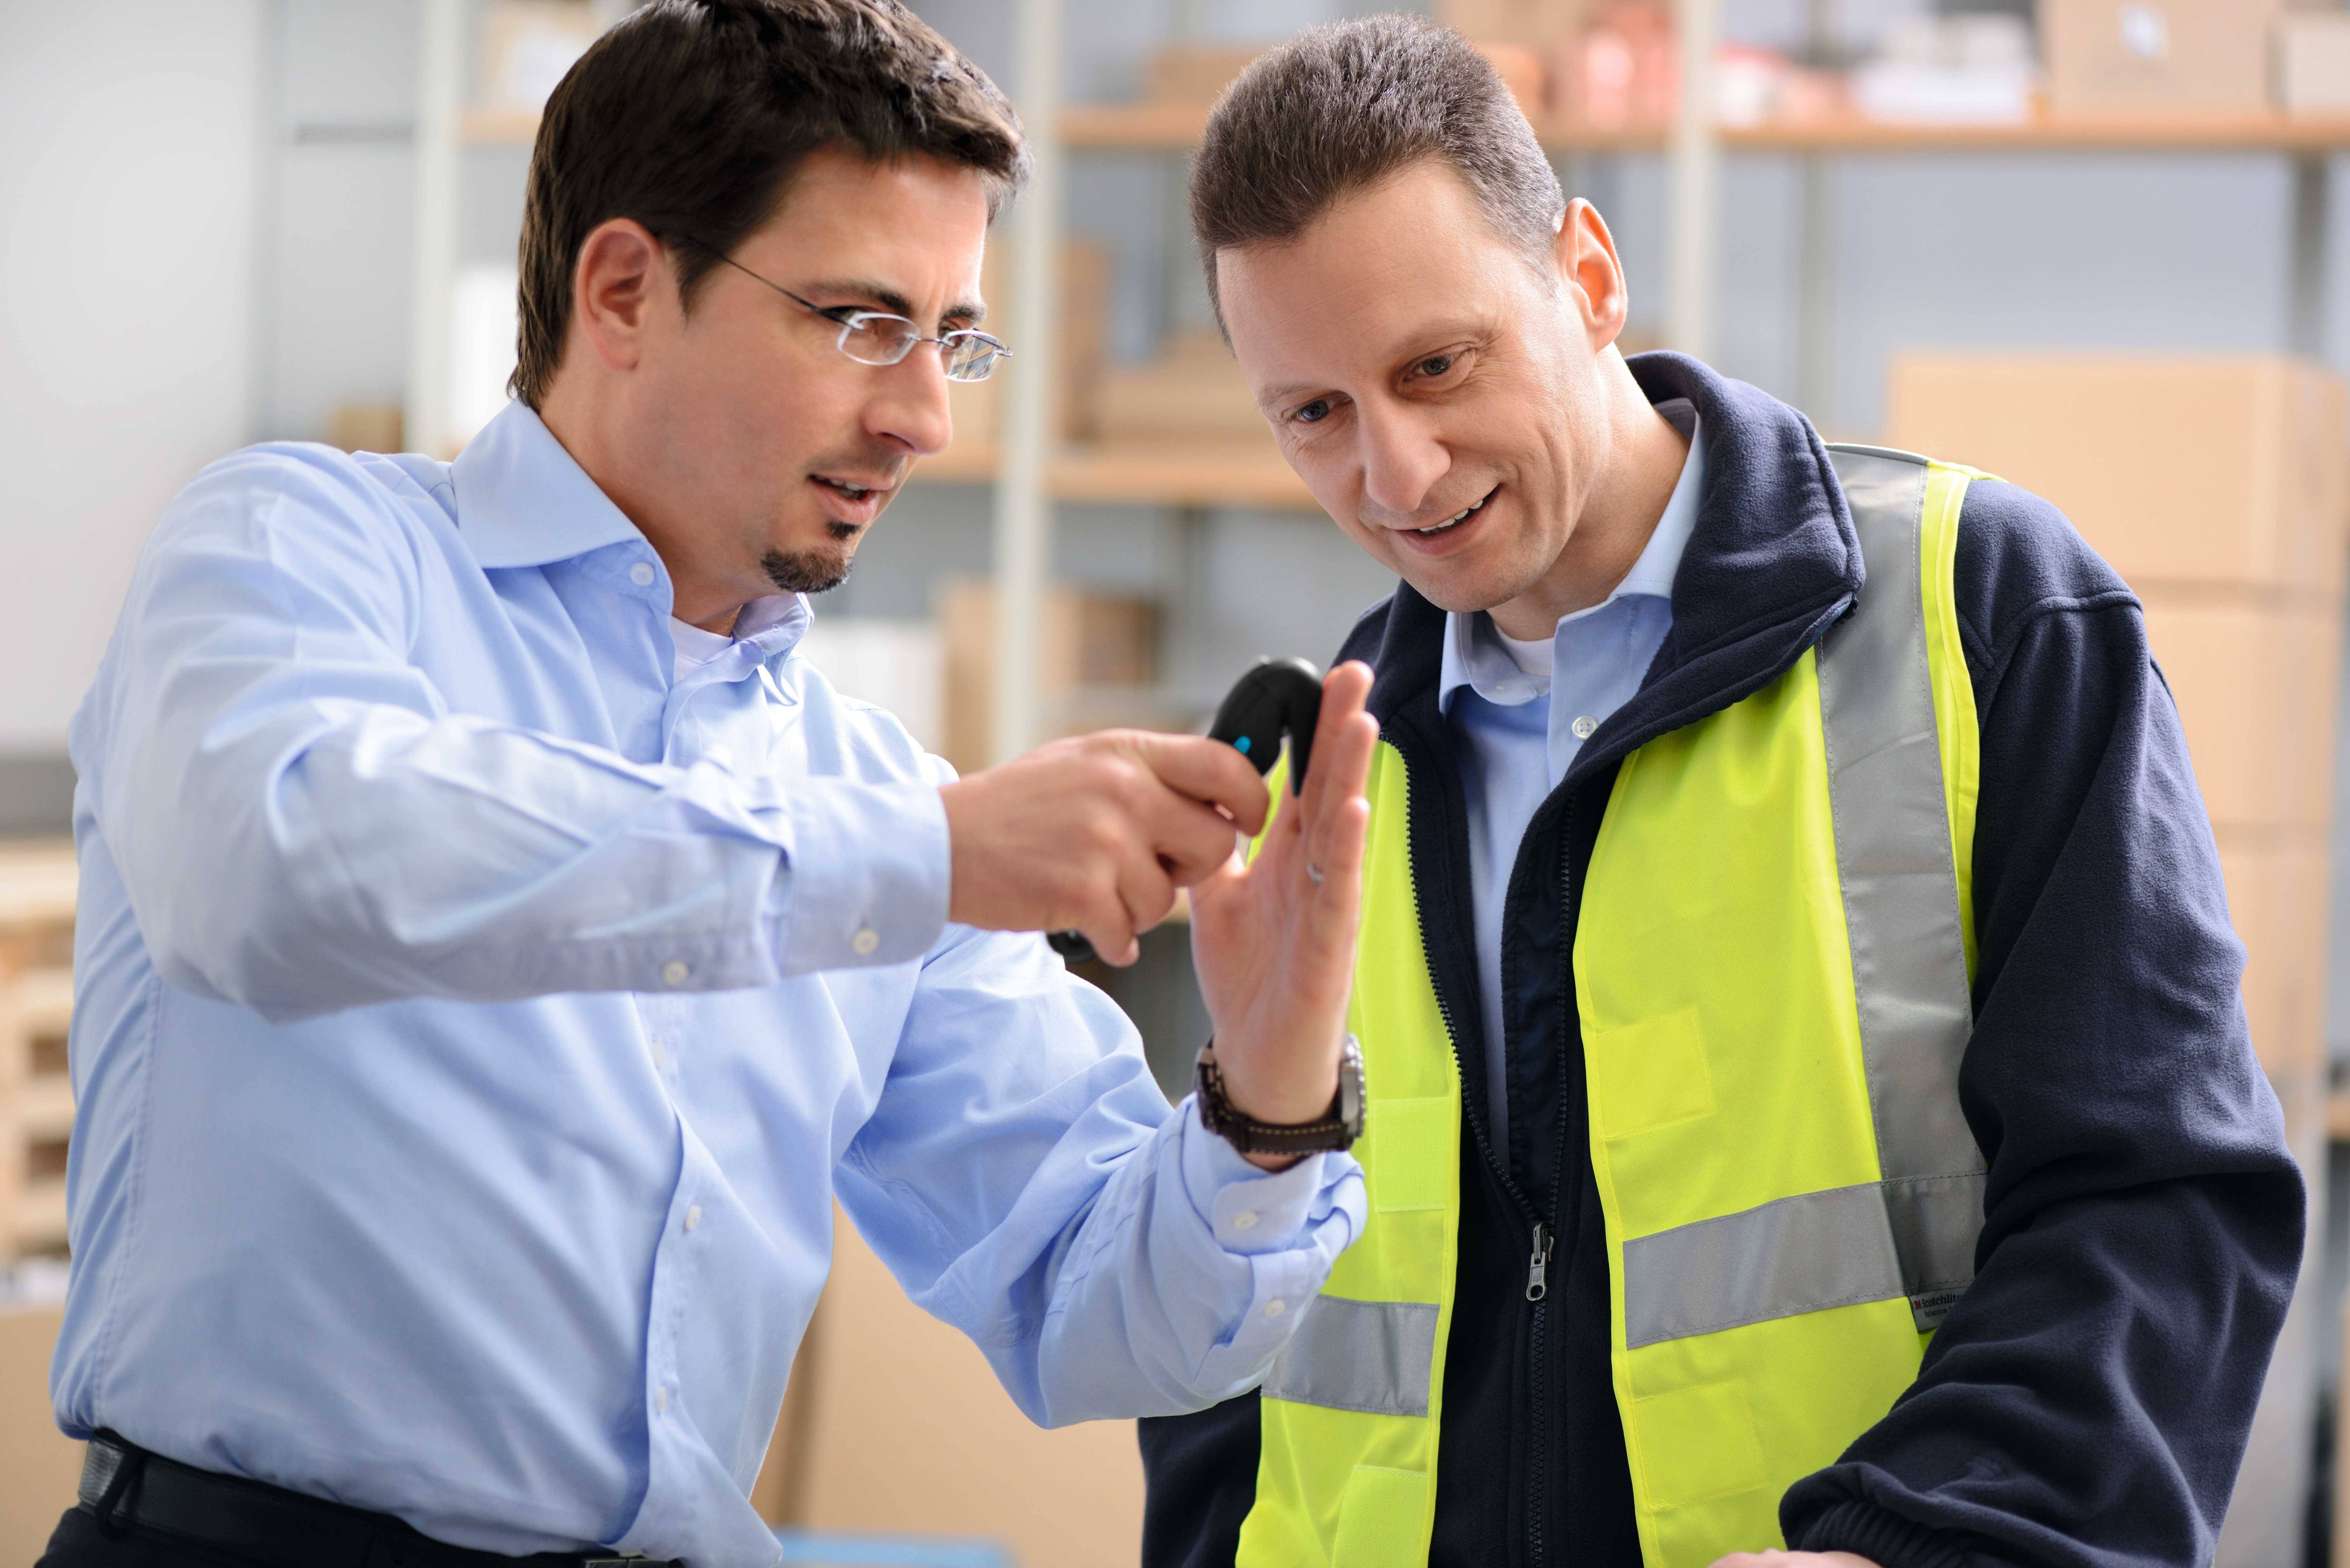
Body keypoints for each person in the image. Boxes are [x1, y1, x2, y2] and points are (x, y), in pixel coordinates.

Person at [41, 4, 1386, 1565]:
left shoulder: (863, 791)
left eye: (952, 338)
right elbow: (277, 865)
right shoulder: (302, 548)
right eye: (861, 321)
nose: (925, 416)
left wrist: (1269, 1102)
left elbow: (1099, 1307)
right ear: (623, 288)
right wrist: (923, 856)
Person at [1135, 17, 2305, 1568]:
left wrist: (1916, 1545)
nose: (1398, 474)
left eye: (1438, 364)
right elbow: (1229, 1327)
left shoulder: (1981, 613)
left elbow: (2153, 1201)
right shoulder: (1315, 772)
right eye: (1316, 414)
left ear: (1590, 276)